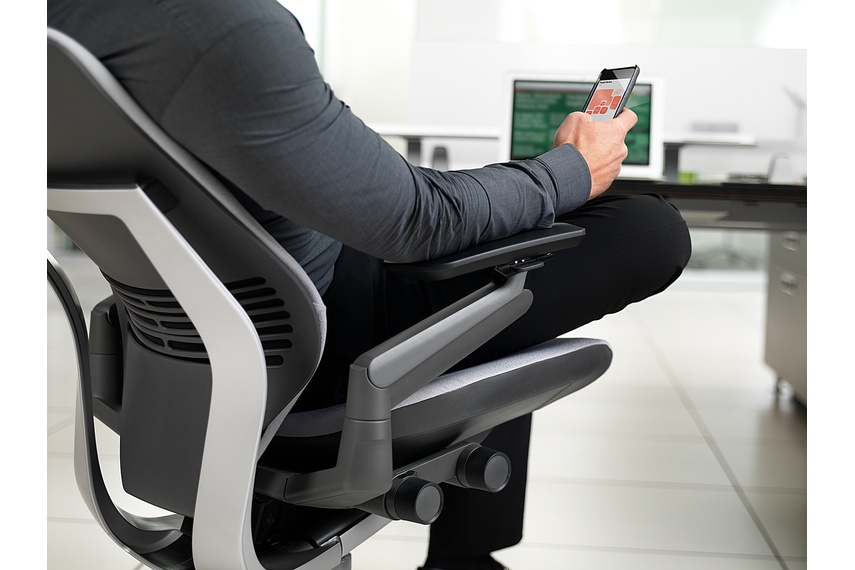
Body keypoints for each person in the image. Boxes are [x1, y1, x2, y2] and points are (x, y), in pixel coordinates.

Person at [48, 1, 691, 569]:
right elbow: (420, 220)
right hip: (317, 343)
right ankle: (462, 558)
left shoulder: (56, 23)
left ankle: (451, 549)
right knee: (647, 229)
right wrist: (572, 167)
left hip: (174, 341)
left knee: (499, 246)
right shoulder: (221, 26)